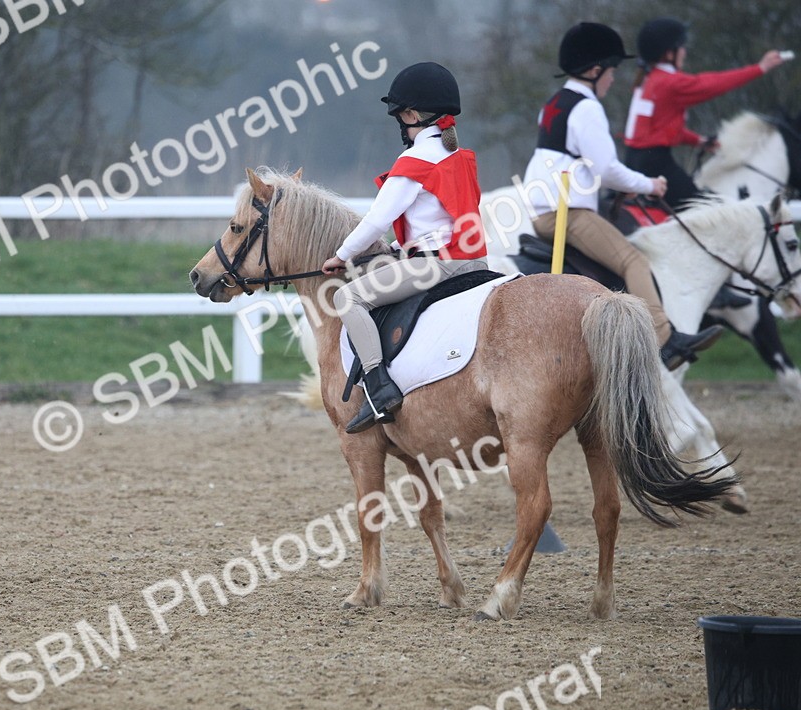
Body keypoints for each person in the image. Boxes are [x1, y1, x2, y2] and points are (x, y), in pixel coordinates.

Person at [522, 21, 723, 371]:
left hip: (548, 209)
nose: (614, 79)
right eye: (612, 71)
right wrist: (651, 185)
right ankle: (666, 341)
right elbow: (607, 170)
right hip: (567, 212)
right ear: (595, 70)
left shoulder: (554, 103)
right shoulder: (586, 108)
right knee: (634, 261)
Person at [321, 62, 488, 434]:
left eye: (400, 117)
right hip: (475, 259)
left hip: (439, 265)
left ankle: (379, 389)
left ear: (412, 115)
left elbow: (376, 220)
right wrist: (398, 246)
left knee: (348, 299)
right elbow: (440, 218)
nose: (400, 124)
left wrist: (342, 256)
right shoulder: (459, 157)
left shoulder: (415, 159)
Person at [624, 17, 787, 210]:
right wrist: (761, 68)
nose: (684, 51)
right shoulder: (670, 83)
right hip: (656, 164)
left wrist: (698, 141)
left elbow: (657, 129)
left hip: (633, 160)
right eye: (682, 46)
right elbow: (714, 84)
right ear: (669, 54)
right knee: (707, 211)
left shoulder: (647, 80)